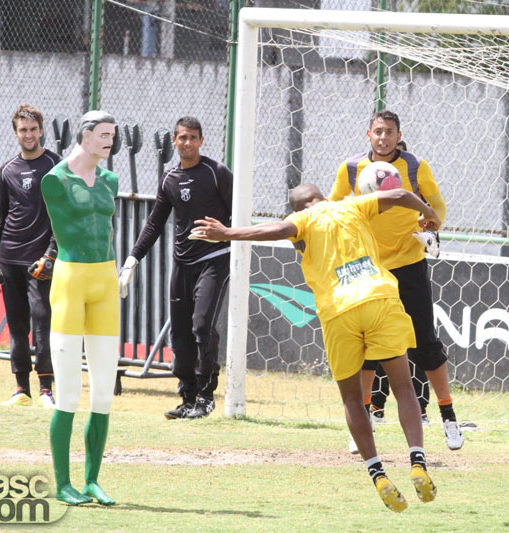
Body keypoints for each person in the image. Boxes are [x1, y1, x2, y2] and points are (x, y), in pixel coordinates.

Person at [193, 184, 439, 512]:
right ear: (324, 198)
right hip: (379, 297)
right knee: (404, 387)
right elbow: (398, 196)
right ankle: (418, 463)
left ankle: (378, 474)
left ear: (297, 209)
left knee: (353, 398)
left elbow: (277, 229)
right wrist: (429, 213)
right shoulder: (352, 205)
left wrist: (226, 233)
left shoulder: (304, 220)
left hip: (339, 312)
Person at [329, 110, 464, 452]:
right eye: (378, 132)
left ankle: (449, 416)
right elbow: (332, 211)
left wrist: (431, 221)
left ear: (398, 134)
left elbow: (438, 206)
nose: (383, 137)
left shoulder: (415, 166)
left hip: (408, 264)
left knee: (424, 344)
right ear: (368, 134)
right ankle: (365, 418)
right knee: (366, 346)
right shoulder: (350, 169)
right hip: (368, 268)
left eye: (389, 132)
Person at [118, 116, 232, 420]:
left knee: (202, 326)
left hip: (215, 260)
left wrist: (225, 232)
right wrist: (133, 258)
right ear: (175, 141)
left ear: (201, 140)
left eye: (194, 137)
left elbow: (237, 213)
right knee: (180, 333)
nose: (188, 143)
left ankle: (207, 395)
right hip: (182, 264)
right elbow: (155, 222)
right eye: (183, 137)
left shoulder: (217, 173)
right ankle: (188, 396)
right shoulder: (170, 179)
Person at [40, 110, 120, 506]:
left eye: (113, 135)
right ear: (85, 136)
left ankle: (92, 480)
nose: (110, 141)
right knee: (69, 392)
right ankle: (62, 482)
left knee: (104, 391)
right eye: (104, 135)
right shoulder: (54, 179)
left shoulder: (110, 180)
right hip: (71, 281)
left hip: (105, 280)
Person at [0, 103, 60, 409]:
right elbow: (0, 216)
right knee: (18, 326)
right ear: (15, 132)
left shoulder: (57, 167)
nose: (28, 135)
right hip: (10, 257)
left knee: (43, 320)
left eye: (33, 129)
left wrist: (51, 254)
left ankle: (46, 390)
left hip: (40, 261)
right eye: (23, 130)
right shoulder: (7, 170)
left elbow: (63, 216)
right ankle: (22, 389)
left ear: (41, 131)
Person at [368, 138, 432, 429]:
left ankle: (420, 409)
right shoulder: (360, 177)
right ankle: (375, 407)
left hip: (410, 266)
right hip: (375, 269)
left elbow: (432, 219)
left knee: (414, 340)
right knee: (379, 341)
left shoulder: (416, 178)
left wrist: (429, 234)